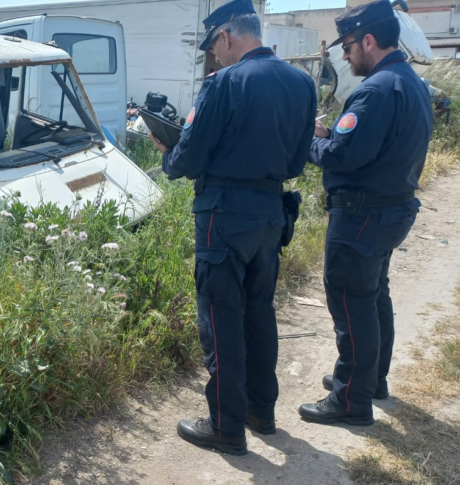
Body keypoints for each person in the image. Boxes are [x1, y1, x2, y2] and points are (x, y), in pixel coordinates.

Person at [148, 0, 317, 455]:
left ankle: (225, 425)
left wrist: (167, 154)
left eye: (213, 46)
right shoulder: (303, 82)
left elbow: (191, 156)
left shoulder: (222, 83)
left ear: (225, 36)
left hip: (223, 216)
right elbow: (301, 157)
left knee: (221, 318)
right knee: (259, 313)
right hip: (271, 211)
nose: (213, 56)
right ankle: (261, 411)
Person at [300, 0, 433, 425]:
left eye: (349, 45)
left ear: (369, 41)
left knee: (351, 303)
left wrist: (310, 141)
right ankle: (370, 381)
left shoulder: (375, 89)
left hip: (361, 216)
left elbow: (342, 155)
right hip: (389, 211)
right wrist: (331, 135)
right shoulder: (408, 81)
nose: (344, 54)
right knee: (374, 296)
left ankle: (350, 402)